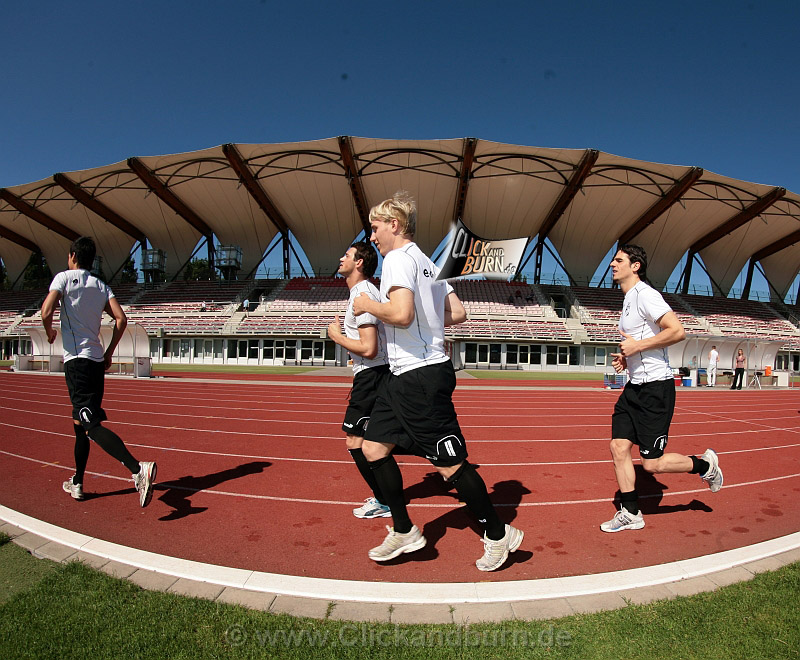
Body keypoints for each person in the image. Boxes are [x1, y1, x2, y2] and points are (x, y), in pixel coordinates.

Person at [353, 191, 523, 571]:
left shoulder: (397, 259)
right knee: (373, 448)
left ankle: (499, 535)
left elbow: (400, 315)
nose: (373, 237)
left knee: (450, 466)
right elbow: (458, 312)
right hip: (404, 375)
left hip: (420, 375)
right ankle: (404, 530)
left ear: (395, 225)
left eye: (376, 228)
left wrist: (368, 306)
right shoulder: (429, 264)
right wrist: (426, 319)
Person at [601, 244, 723, 533]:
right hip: (634, 388)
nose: (612, 265)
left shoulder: (646, 295)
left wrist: (637, 347)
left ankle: (705, 466)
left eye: (618, 260)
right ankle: (631, 513)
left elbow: (677, 331)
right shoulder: (628, 299)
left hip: (656, 389)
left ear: (635, 266)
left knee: (652, 465)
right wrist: (627, 357)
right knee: (618, 446)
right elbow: (640, 341)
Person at [41, 236, 157, 506]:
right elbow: (121, 319)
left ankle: (138, 469)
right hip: (95, 362)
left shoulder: (63, 278)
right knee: (80, 425)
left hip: (77, 363)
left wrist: (49, 333)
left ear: (72, 256)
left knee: (91, 426)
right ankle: (78, 482)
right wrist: (109, 353)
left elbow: (46, 311)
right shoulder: (101, 285)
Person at [327, 241, 392, 519]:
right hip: (374, 374)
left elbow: (369, 348)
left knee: (355, 441)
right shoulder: (362, 292)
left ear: (359, 262)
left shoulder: (362, 294)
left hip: (371, 376)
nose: (341, 258)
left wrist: (337, 337)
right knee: (373, 441)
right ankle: (386, 496)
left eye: (347, 255)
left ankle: (384, 501)